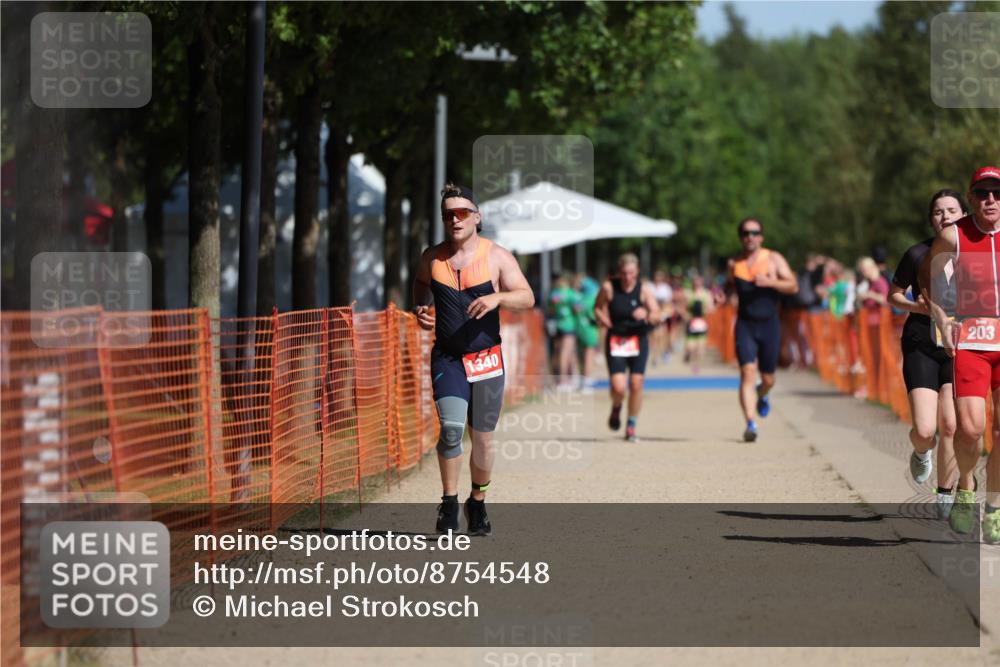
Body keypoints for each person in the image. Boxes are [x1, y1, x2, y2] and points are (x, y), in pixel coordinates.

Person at [412, 183, 535, 536]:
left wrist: (498, 298)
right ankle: (449, 503)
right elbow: (421, 284)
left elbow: (527, 297)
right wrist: (421, 307)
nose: (455, 219)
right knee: (451, 431)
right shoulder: (432, 258)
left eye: (462, 213)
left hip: (486, 359)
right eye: (448, 214)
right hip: (448, 358)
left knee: (482, 440)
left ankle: (477, 501)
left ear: (477, 217)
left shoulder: (497, 256)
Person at [921, 166, 1000, 542]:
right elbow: (927, 275)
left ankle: (994, 508)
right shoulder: (954, 235)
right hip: (972, 342)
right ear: (971, 199)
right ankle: (966, 489)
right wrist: (940, 315)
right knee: (970, 430)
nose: (991, 200)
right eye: (982, 193)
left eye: (997, 193)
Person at [889, 189, 966, 518]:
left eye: (952, 210)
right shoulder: (917, 254)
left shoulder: (976, 256)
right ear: (931, 219)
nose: (945, 216)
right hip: (921, 342)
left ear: (964, 215)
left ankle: (945, 495)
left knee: (950, 425)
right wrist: (916, 306)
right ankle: (922, 452)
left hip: (959, 346)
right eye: (938, 211)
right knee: (925, 431)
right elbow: (893, 295)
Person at [726, 217, 798, 442]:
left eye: (755, 233)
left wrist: (771, 283)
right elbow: (729, 286)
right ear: (741, 237)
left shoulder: (773, 259)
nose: (751, 237)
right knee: (747, 372)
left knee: (768, 379)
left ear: (761, 237)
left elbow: (793, 285)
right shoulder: (734, 263)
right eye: (746, 233)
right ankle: (750, 423)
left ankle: (762, 393)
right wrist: (722, 295)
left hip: (769, 324)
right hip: (745, 325)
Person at [594, 253, 661, 443]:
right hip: (616, 339)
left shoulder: (644, 289)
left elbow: (657, 314)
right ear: (619, 272)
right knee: (618, 387)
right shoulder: (609, 287)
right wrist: (603, 318)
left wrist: (646, 313)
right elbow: (597, 308)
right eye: (624, 273)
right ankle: (617, 406)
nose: (627, 277)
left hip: (638, 339)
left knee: (636, 383)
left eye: (631, 273)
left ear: (637, 271)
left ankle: (631, 424)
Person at [856, 256, 891, 399]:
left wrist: (870, 295)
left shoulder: (879, 282)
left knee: (880, 356)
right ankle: (876, 386)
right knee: (873, 356)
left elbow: (885, 299)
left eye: (864, 270)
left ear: (871, 268)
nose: (863, 273)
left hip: (879, 325)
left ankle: (882, 386)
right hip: (871, 324)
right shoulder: (870, 283)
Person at [548, 273, 580, 389]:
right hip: (569, 326)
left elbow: (550, 310)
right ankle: (563, 380)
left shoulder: (554, 293)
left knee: (560, 352)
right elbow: (578, 309)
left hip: (557, 326)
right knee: (566, 353)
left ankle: (570, 378)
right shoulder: (571, 293)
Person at [683, 274, 714, 374]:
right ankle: (688, 354)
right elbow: (684, 307)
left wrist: (706, 311)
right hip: (691, 323)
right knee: (690, 347)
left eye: (699, 282)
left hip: (702, 323)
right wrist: (687, 316)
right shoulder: (688, 294)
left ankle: (696, 366)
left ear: (701, 283)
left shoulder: (706, 294)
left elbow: (711, 308)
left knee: (700, 348)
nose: (697, 284)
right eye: (695, 282)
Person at [574, 273, 600, 388]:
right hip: (590, 330)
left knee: (581, 355)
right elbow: (594, 317)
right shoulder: (591, 300)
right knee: (589, 354)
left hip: (579, 329)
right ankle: (586, 378)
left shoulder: (579, 299)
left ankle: (581, 377)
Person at [652, 269, 675, 364]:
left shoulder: (666, 288)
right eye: (656, 277)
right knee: (654, 336)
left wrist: (664, 314)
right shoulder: (651, 287)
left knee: (662, 336)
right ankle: (655, 356)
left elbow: (669, 304)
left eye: (659, 277)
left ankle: (664, 353)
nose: (658, 278)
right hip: (654, 315)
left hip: (664, 315)